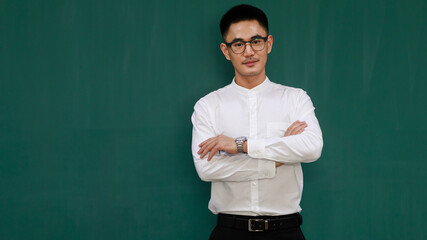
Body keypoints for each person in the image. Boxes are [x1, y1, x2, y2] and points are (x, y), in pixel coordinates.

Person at [191, 4, 323, 240]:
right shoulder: (208, 106)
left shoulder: (295, 99)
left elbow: (312, 147)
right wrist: (280, 156)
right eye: (238, 44)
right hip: (229, 233)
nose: (249, 51)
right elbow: (207, 168)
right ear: (225, 50)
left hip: (286, 232)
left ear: (269, 43)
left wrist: (242, 146)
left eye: (256, 41)